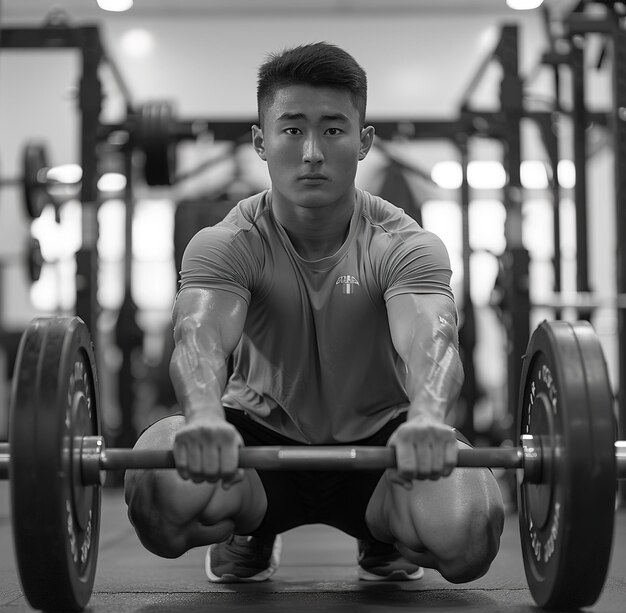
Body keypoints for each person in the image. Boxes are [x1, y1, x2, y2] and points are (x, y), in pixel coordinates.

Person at [124, 42, 505, 584]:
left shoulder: (403, 243)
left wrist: (427, 421)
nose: (311, 153)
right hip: (254, 449)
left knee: (467, 531)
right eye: (292, 129)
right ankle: (248, 532)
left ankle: (384, 536)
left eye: (332, 129)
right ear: (261, 141)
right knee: (157, 488)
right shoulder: (227, 242)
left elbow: (432, 340)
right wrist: (206, 419)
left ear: (363, 141)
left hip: (382, 452)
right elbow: (199, 338)